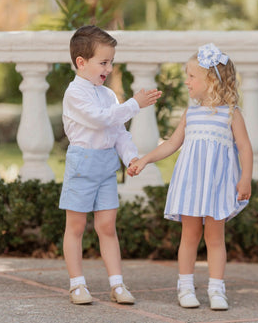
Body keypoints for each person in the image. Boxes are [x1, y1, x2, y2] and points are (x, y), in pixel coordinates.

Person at [127, 43, 253, 310]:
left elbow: (245, 147)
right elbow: (172, 144)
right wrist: (146, 158)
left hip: (217, 186)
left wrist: (245, 179)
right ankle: (185, 287)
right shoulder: (191, 113)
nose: (187, 81)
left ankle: (217, 289)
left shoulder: (232, 114)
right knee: (189, 236)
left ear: (211, 81)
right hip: (192, 185)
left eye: (192, 76)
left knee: (215, 238)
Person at [59, 25, 162, 305]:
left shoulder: (108, 95)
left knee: (107, 226)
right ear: (81, 62)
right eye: (103, 62)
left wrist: (131, 158)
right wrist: (134, 104)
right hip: (82, 165)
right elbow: (101, 119)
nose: (109, 67)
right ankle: (77, 285)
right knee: (76, 226)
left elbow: (118, 132)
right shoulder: (75, 93)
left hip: (105, 168)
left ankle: (117, 285)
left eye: (111, 62)